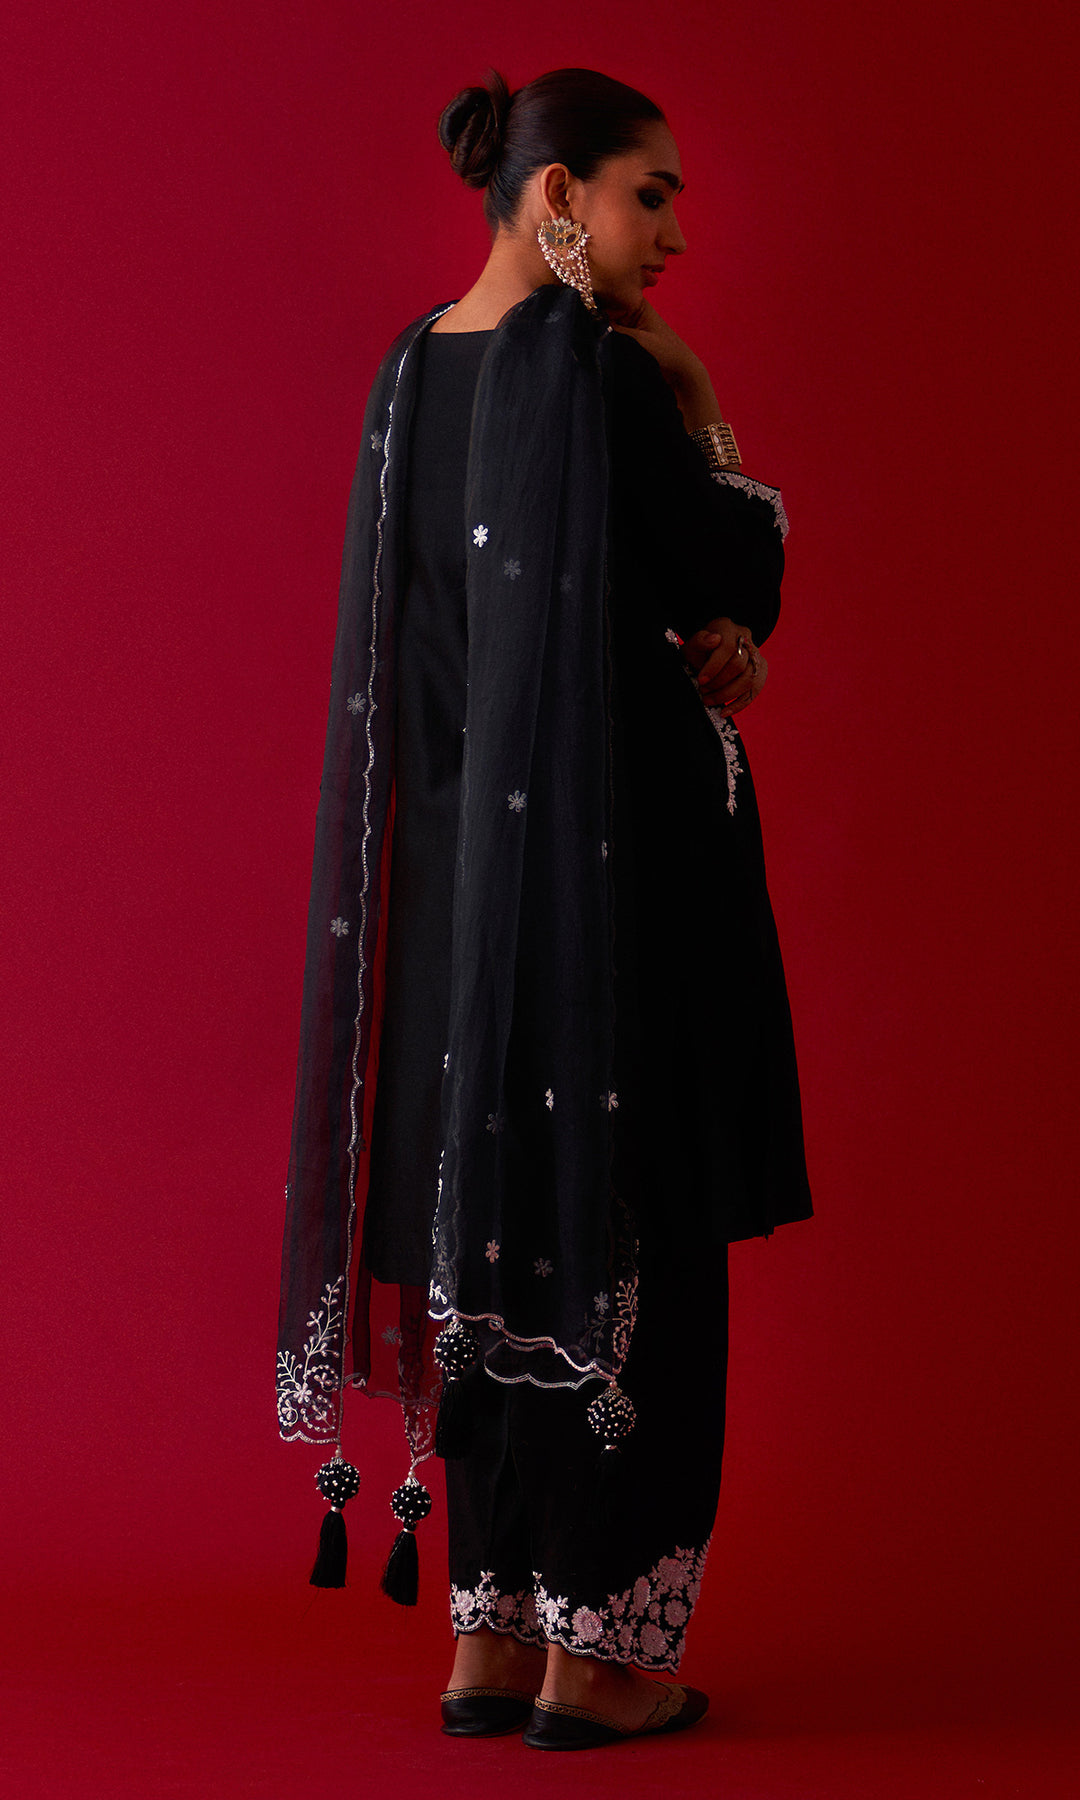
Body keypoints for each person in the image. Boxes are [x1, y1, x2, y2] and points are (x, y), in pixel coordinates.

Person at [278, 67, 813, 1751]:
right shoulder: (598, 372)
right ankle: (610, 1658)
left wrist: (700, 644)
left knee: (496, 1236)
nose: (675, 234)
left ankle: (494, 1642)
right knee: (627, 1231)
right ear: (560, 193)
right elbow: (731, 567)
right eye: (653, 194)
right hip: (614, 905)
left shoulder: (407, 374)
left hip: (462, 915)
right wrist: (699, 394)